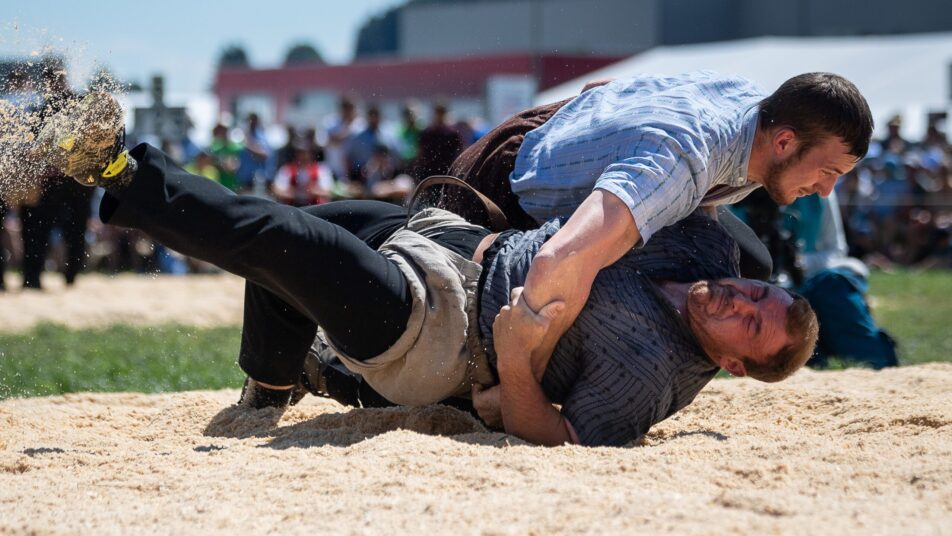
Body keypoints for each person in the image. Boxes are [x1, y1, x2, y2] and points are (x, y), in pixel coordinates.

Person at [35, 92, 819, 447]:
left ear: (729, 364)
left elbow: (554, 436)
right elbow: (685, 173)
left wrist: (515, 364)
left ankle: (115, 171)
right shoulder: (711, 249)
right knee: (327, 224)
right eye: (760, 294)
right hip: (454, 241)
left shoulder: (652, 379)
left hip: (439, 333)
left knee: (290, 245)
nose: (741, 298)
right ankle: (275, 380)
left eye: (748, 323)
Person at [439, 71, 872, 391]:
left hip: (578, 124)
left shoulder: (763, 107)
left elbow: (603, 86)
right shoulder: (675, 165)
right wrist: (518, 380)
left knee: (750, 262)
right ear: (784, 142)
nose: (826, 189)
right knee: (575, 272)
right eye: (828, 171)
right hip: (501, 181)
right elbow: (560, 259)